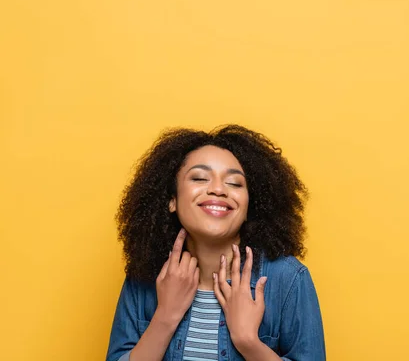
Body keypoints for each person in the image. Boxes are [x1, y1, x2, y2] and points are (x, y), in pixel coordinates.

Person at [106, 125, 326, 361]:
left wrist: (248, 341)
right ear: (172, 200)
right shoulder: (146, 275)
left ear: (251, 205)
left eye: (234, 183)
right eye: (200, 178)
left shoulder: (288, 279)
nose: (218, 189)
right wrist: (165, 317)